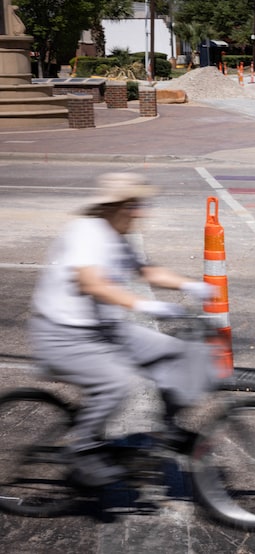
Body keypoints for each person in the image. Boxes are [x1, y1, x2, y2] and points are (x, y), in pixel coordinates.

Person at [28, 173, 219, 487]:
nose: (140, 211)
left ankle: (167, 428)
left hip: (103, 329)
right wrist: (144, 305)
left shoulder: (116, 235)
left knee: (175, 351)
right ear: (114, 206)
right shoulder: (86, 232)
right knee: (118, 383)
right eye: (133, 204)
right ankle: (84, 449)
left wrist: (190, 285)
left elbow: (146, 271)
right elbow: (91, 283)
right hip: (62, 333)